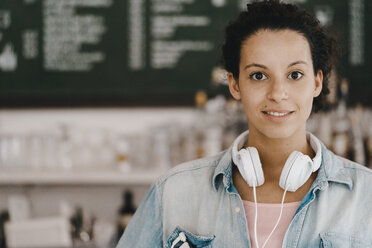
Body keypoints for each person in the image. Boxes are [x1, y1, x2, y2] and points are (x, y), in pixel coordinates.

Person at [117, 1, 372, 247]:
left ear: (317, 83)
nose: (278, 93)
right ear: (235, 85)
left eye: (295, 75)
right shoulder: (173, 193)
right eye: (258, 75)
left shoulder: (366, 196)